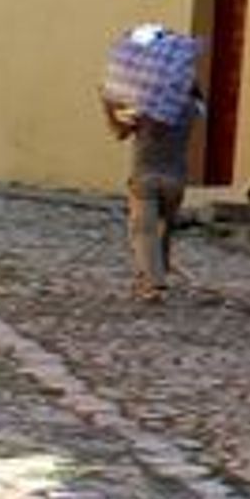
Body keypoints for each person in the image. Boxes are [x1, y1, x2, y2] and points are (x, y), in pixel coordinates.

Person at [98, 29, 203, 304]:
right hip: (176, 179)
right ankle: (158, 274)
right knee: (162, 229)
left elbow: (120, 132)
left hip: (146, 177)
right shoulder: (190, 108)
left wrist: (108, 106)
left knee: (143, 231)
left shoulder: (143, 111)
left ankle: (153, 284)